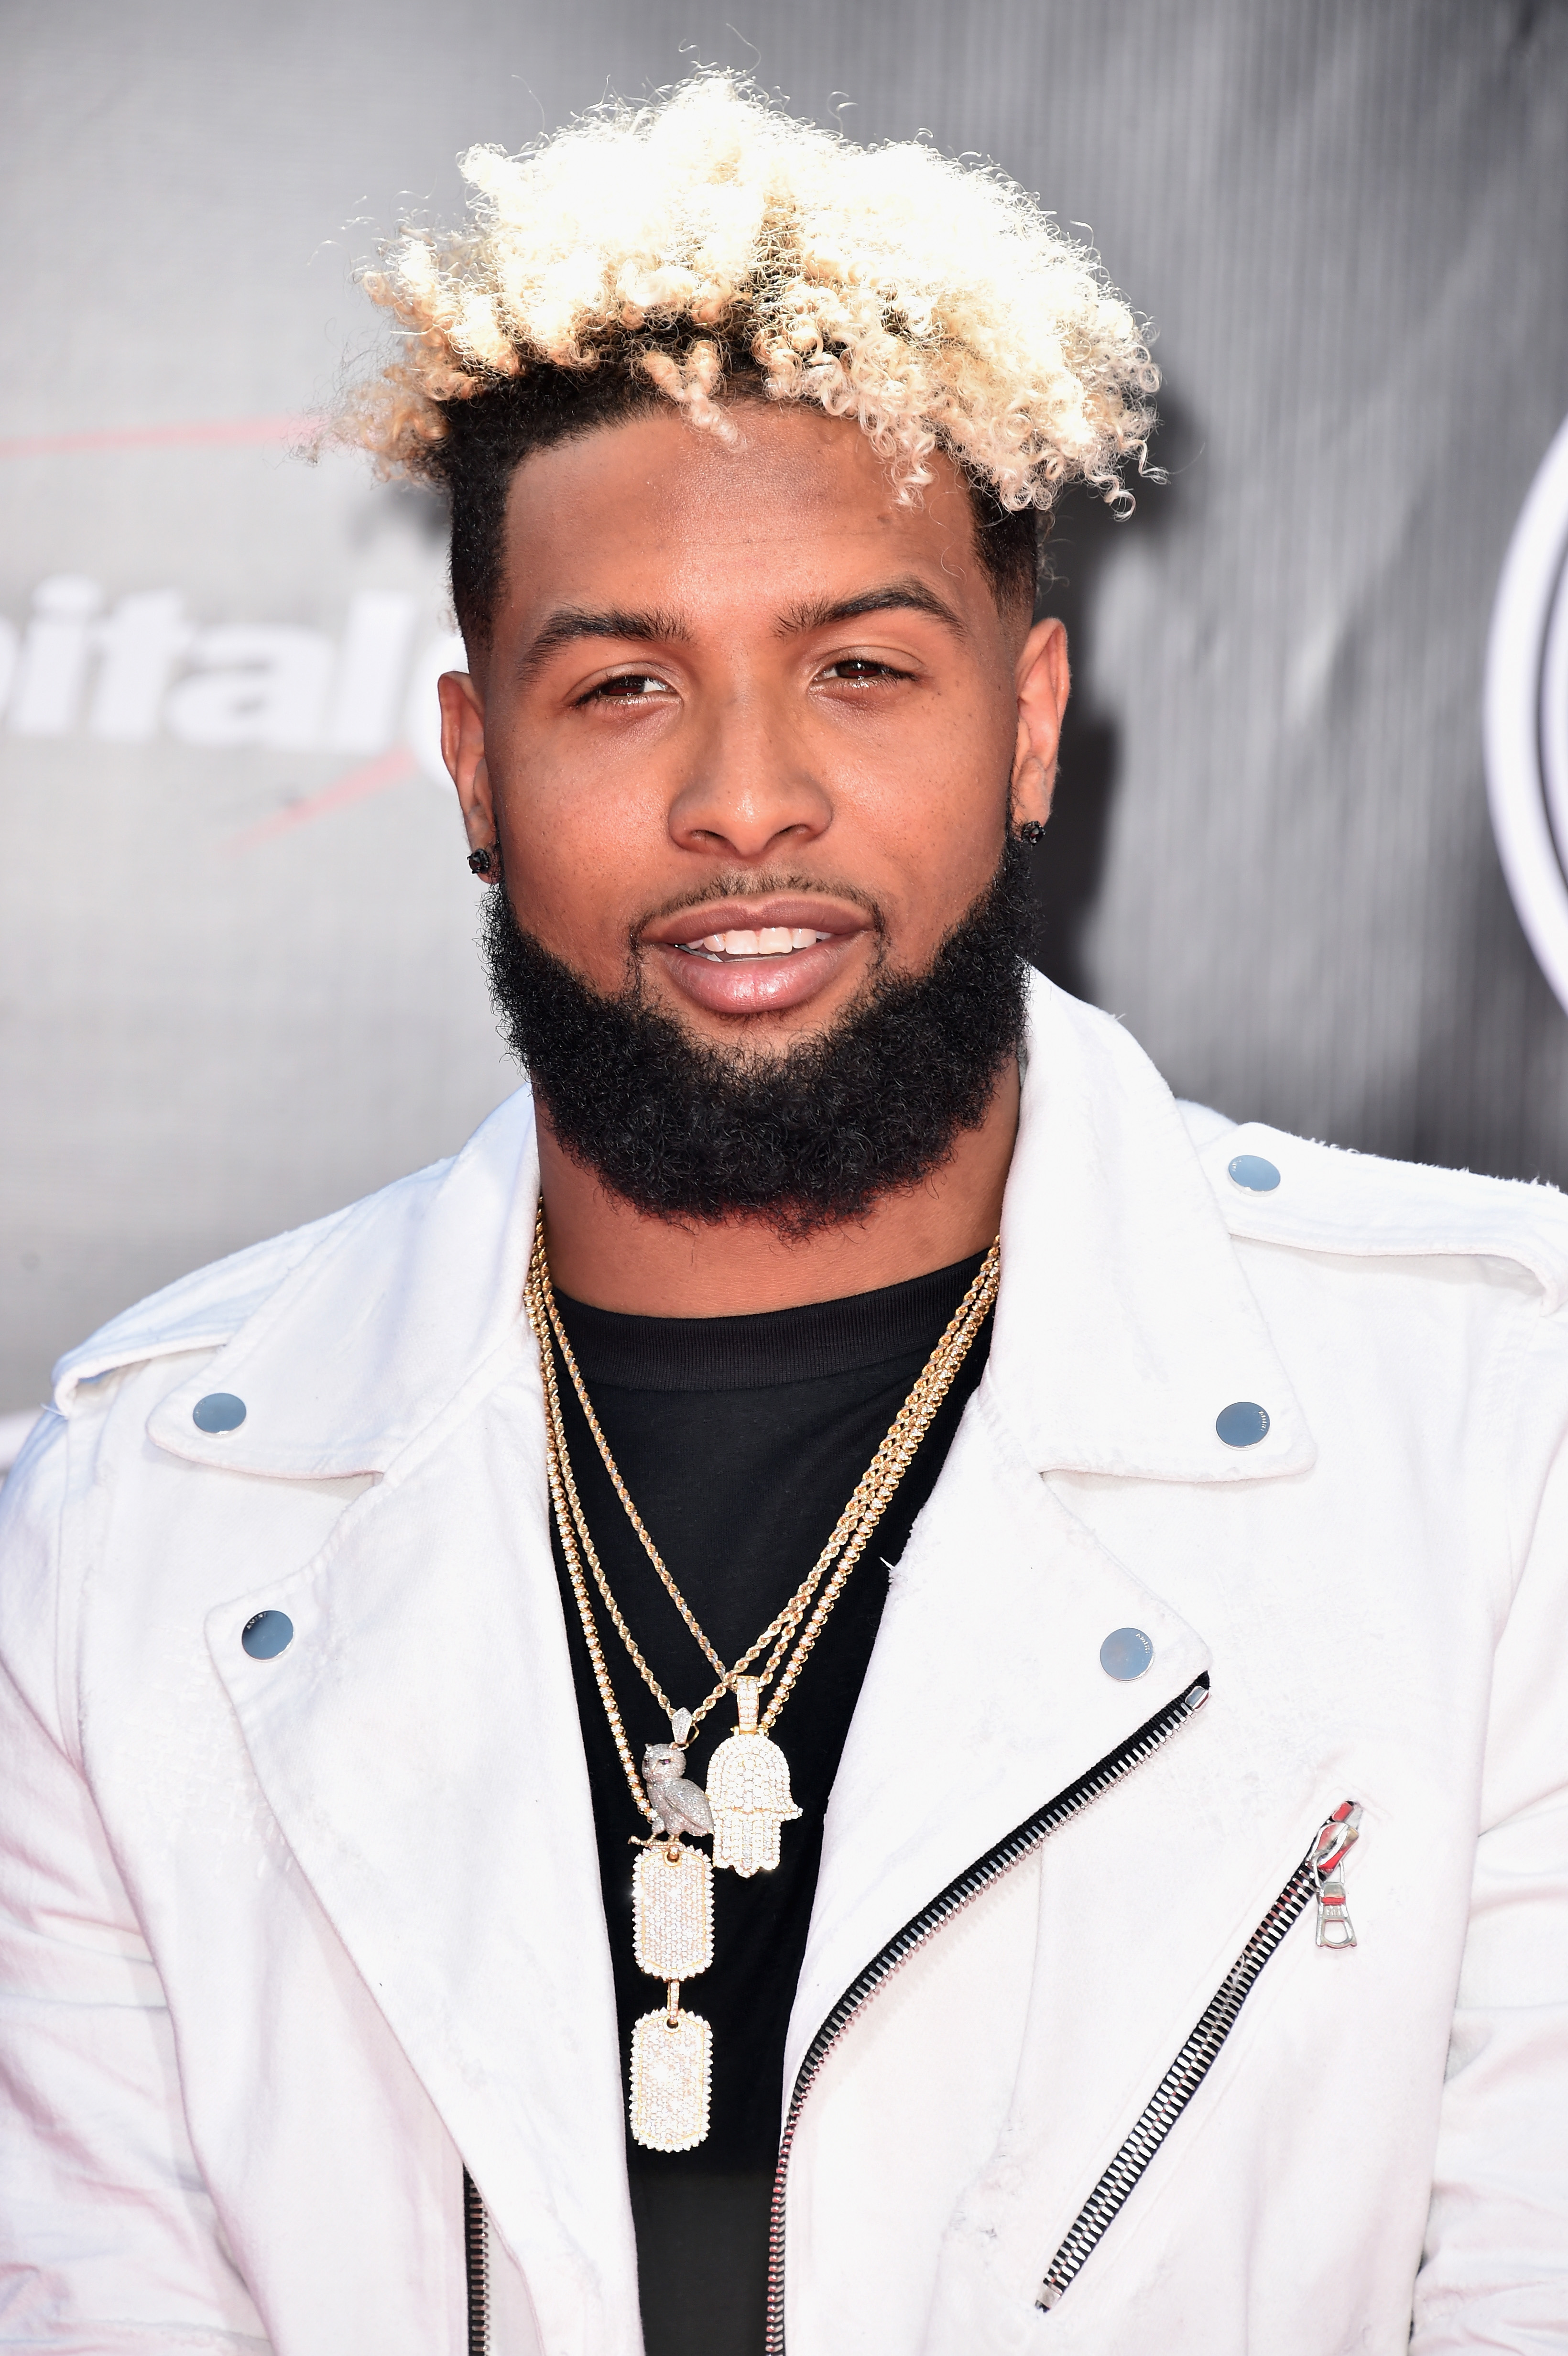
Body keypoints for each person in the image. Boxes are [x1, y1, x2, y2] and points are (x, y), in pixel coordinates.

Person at [1, 71, 1565, 2356]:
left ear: (1029, 721)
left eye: (859, 666)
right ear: (471, 765)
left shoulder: (1497, 1422)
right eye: (624, 683)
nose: (746, 799)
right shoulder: (128, 1522)